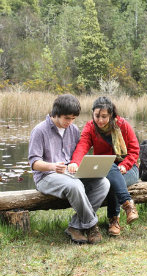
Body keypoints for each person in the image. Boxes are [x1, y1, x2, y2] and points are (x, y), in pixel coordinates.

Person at [28, 94, 110, 244]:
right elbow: (34, 163)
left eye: (73, 119)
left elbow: (76, 156)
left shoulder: (72, 130)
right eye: (67, 118)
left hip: (69, 174)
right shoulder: (39, 131)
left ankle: (75, 226)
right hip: (46, 177)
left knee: (103, 183)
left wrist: (76, 165)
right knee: (75, 185)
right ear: (56, 113)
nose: (70, 122)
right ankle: (92, 226)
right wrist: (52, 166)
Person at [69, 96, 139, 236]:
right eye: (97, 116)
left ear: (111, 115)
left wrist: (125, 165)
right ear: (92, 113)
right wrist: (75, 162)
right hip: (105, 168)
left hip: (129, 168)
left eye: (104, 116)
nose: (100, 120)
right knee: (110, 172)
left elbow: (134, 150)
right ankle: (127, 205)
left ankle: (114, 220)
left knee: (113, 180)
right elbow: (82, 146)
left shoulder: (123, 125)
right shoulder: (90, 127)